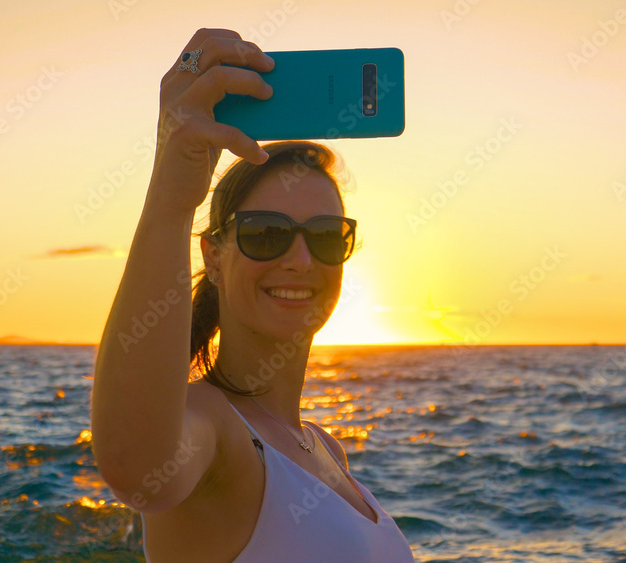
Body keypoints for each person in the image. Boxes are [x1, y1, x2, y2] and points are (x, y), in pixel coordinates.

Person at [90, 28, 415, 562]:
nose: (301, 260)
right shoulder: (211, 430)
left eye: (327, 237)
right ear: (214, 256)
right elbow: (136, 465)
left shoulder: (325, 448)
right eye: (267, 233)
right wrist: (173, 192)